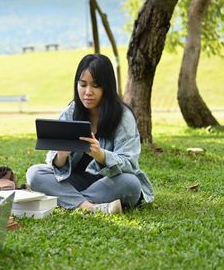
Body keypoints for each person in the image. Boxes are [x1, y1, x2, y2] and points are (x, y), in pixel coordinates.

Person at [26, 54, 153, 214]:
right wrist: (61, 157)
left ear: (107, 87)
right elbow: (56, 165)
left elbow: (130, 164)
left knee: (131, 183)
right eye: (83, 84)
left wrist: (101, 155)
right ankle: (89, 207)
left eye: (95, 85)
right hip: (77, 180)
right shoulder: (70, 112)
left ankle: (67, 200)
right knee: (35, 173)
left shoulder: (123, 116)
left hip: (110, 182)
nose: (88, 92)